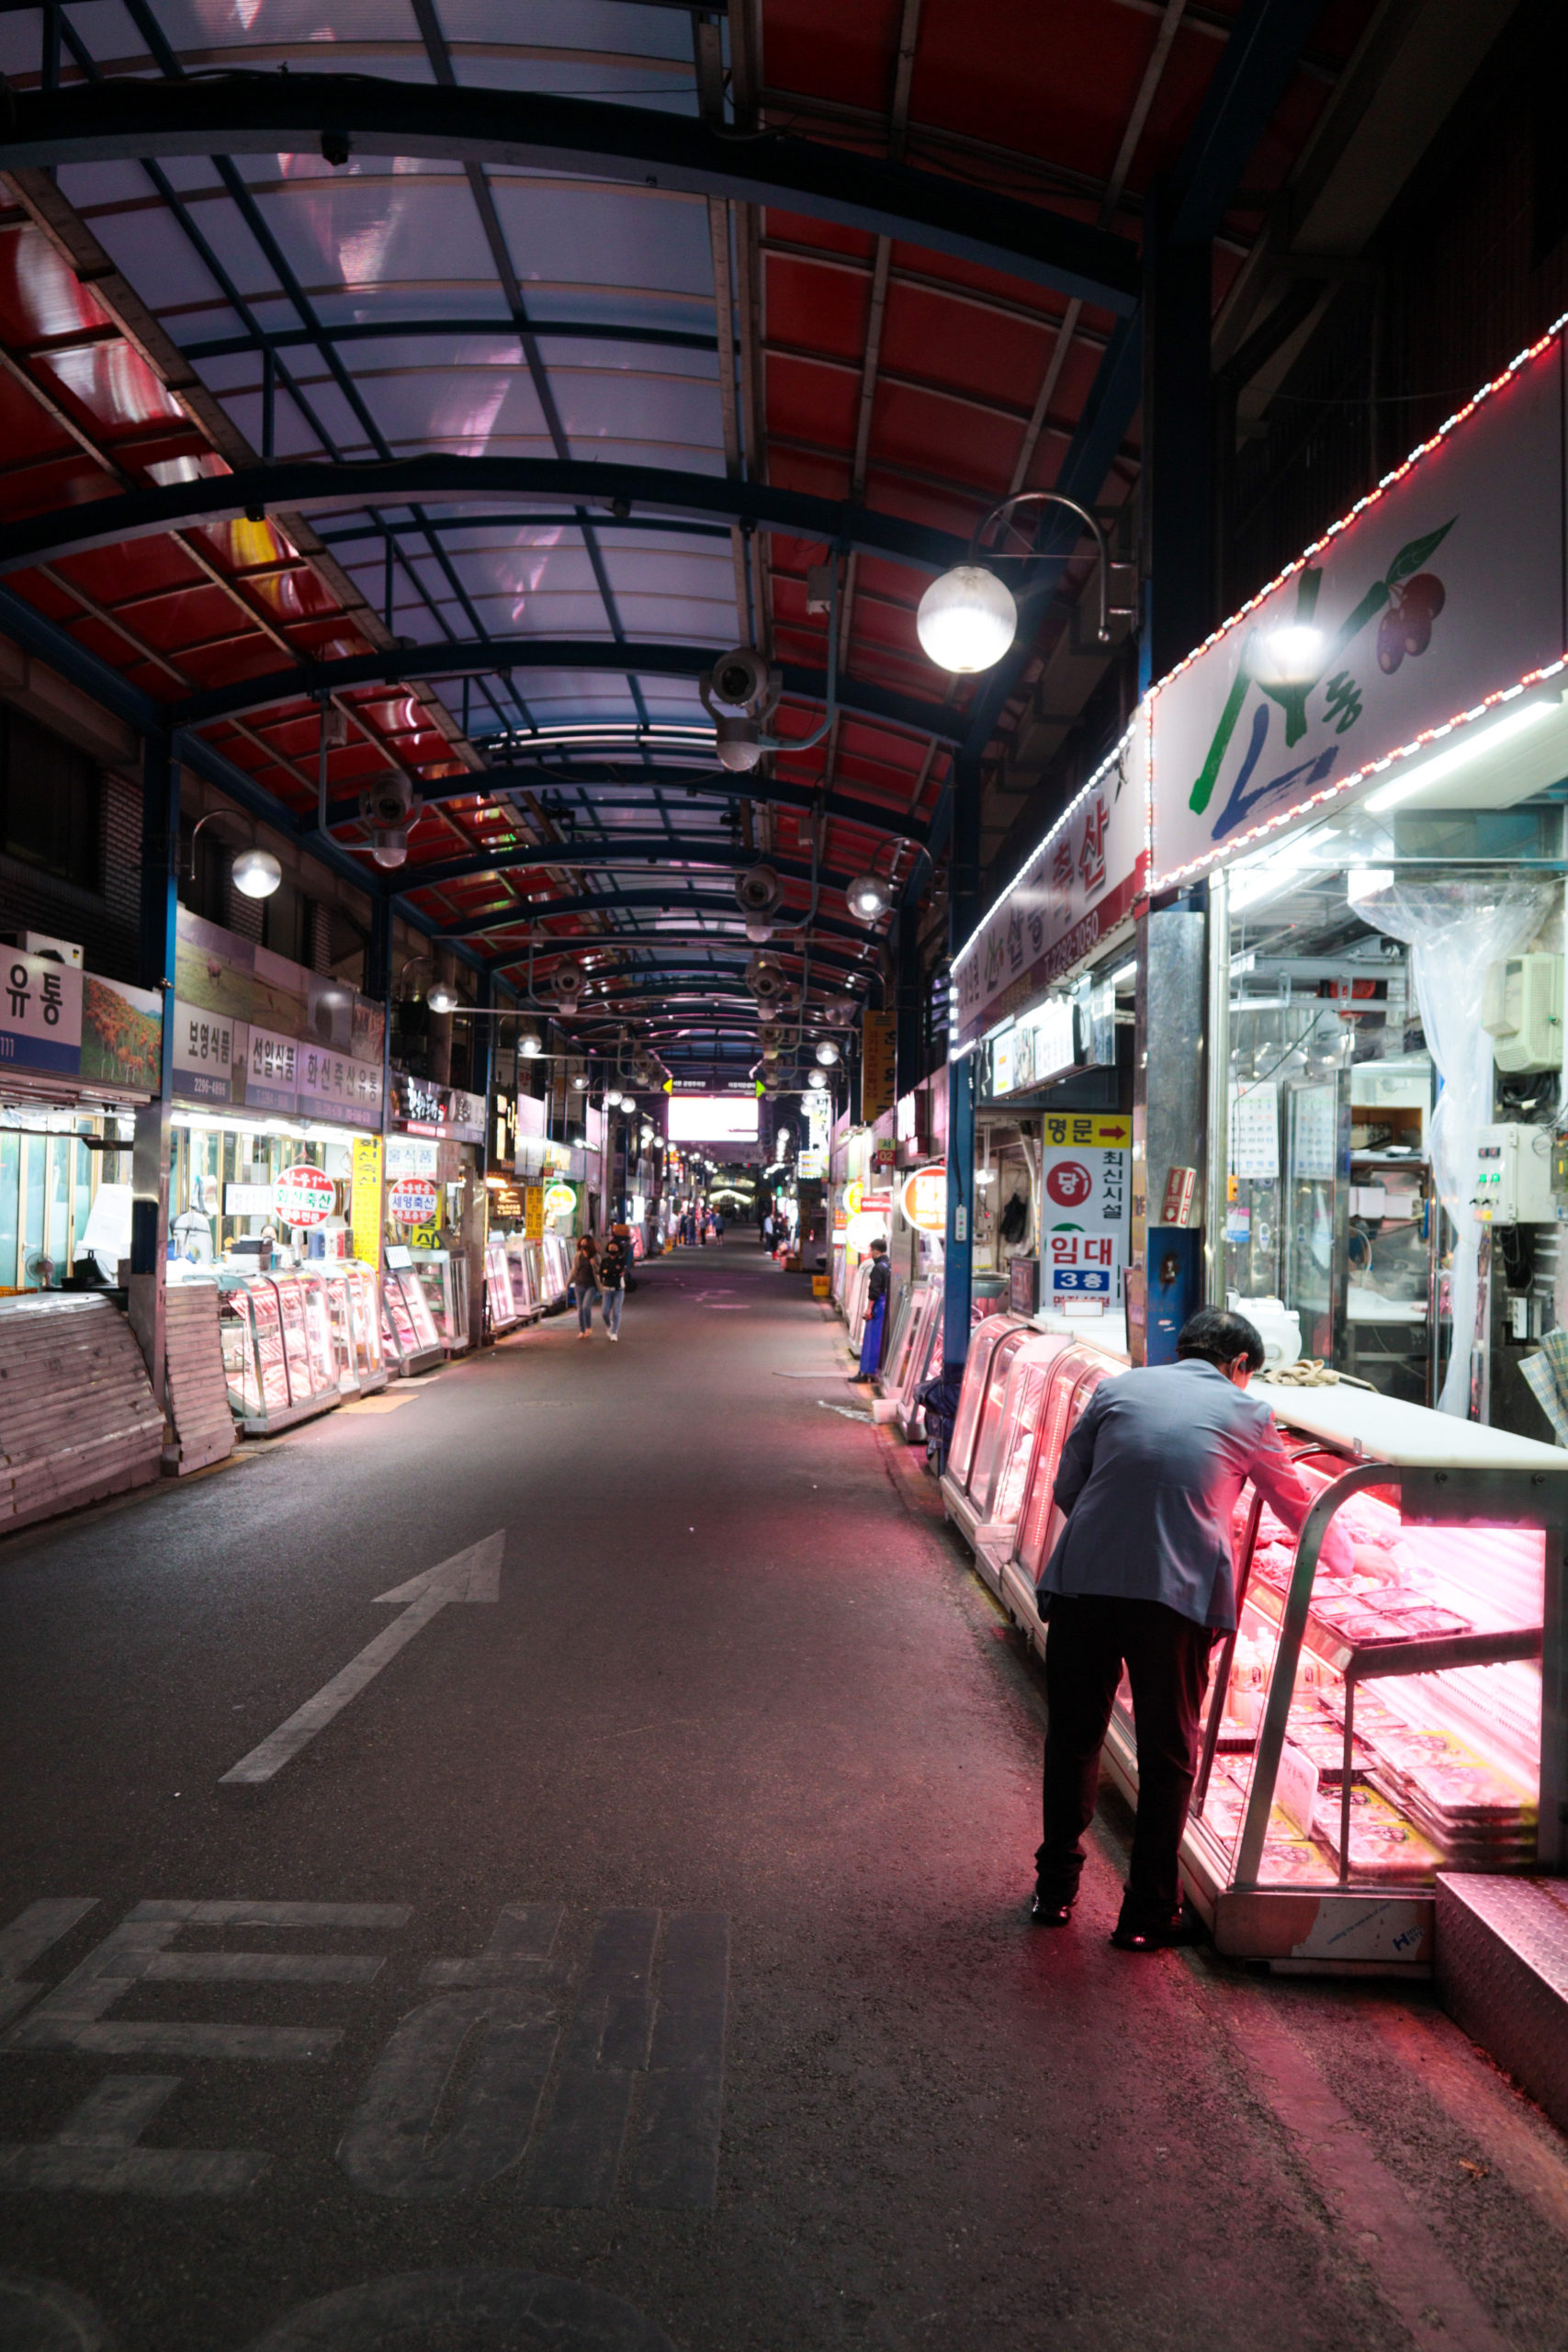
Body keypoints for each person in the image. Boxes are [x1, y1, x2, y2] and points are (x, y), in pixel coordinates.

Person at [1031, 1306, 1353, 1952]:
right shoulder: (1249, 1415)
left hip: (1081, 1584)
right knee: (1168, 1752)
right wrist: (1350, 1560)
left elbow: (1070, 1484)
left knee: (1072, 1739)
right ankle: (1147, 1915)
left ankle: (1054, 1893)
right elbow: (1300, 1509)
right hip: (1170, 1600)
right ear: (1239, 1367)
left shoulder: (1117, 1387)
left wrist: (1116, 1533)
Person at [855, 1238, 890, 1380]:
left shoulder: (878, 1268)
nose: (870, 1253)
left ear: (876, 1251)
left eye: (871, 1250)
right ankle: (876, 1372)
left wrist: (869, 1309)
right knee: (880, 1341)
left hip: (877, 1305)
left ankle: (866, 1373)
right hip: (885, 1305)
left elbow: (874, 1291)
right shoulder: (888, 1265)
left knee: (871, 1340)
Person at [599, 1224, 630, 1339]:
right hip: (607, 1289)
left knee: (616, 1312)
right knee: (604, 1312)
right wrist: (610, 1272)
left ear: (618, 1249)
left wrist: (609, 1272)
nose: (612, 1249)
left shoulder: (621, 1260)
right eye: (611, 1247)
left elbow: (619, 1272)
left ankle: (614, 1332)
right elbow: (602, 1272)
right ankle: (609, 1324)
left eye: (615, 1248)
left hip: (618, 1289)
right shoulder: (605, 1260)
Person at [570, 1235, 600, 1340]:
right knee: (580, 1309)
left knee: (586, 1307)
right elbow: (574, 1270)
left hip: (591, 1285)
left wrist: (594, 1264)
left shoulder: (595, 1256)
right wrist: (568, 1283)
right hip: (579, 1285)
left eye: (585, 1245)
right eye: (582, 1244)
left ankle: (588, 1327)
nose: (583, 1247)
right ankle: (582, 1330)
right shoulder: (578, 1256)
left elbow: (599, 1271)